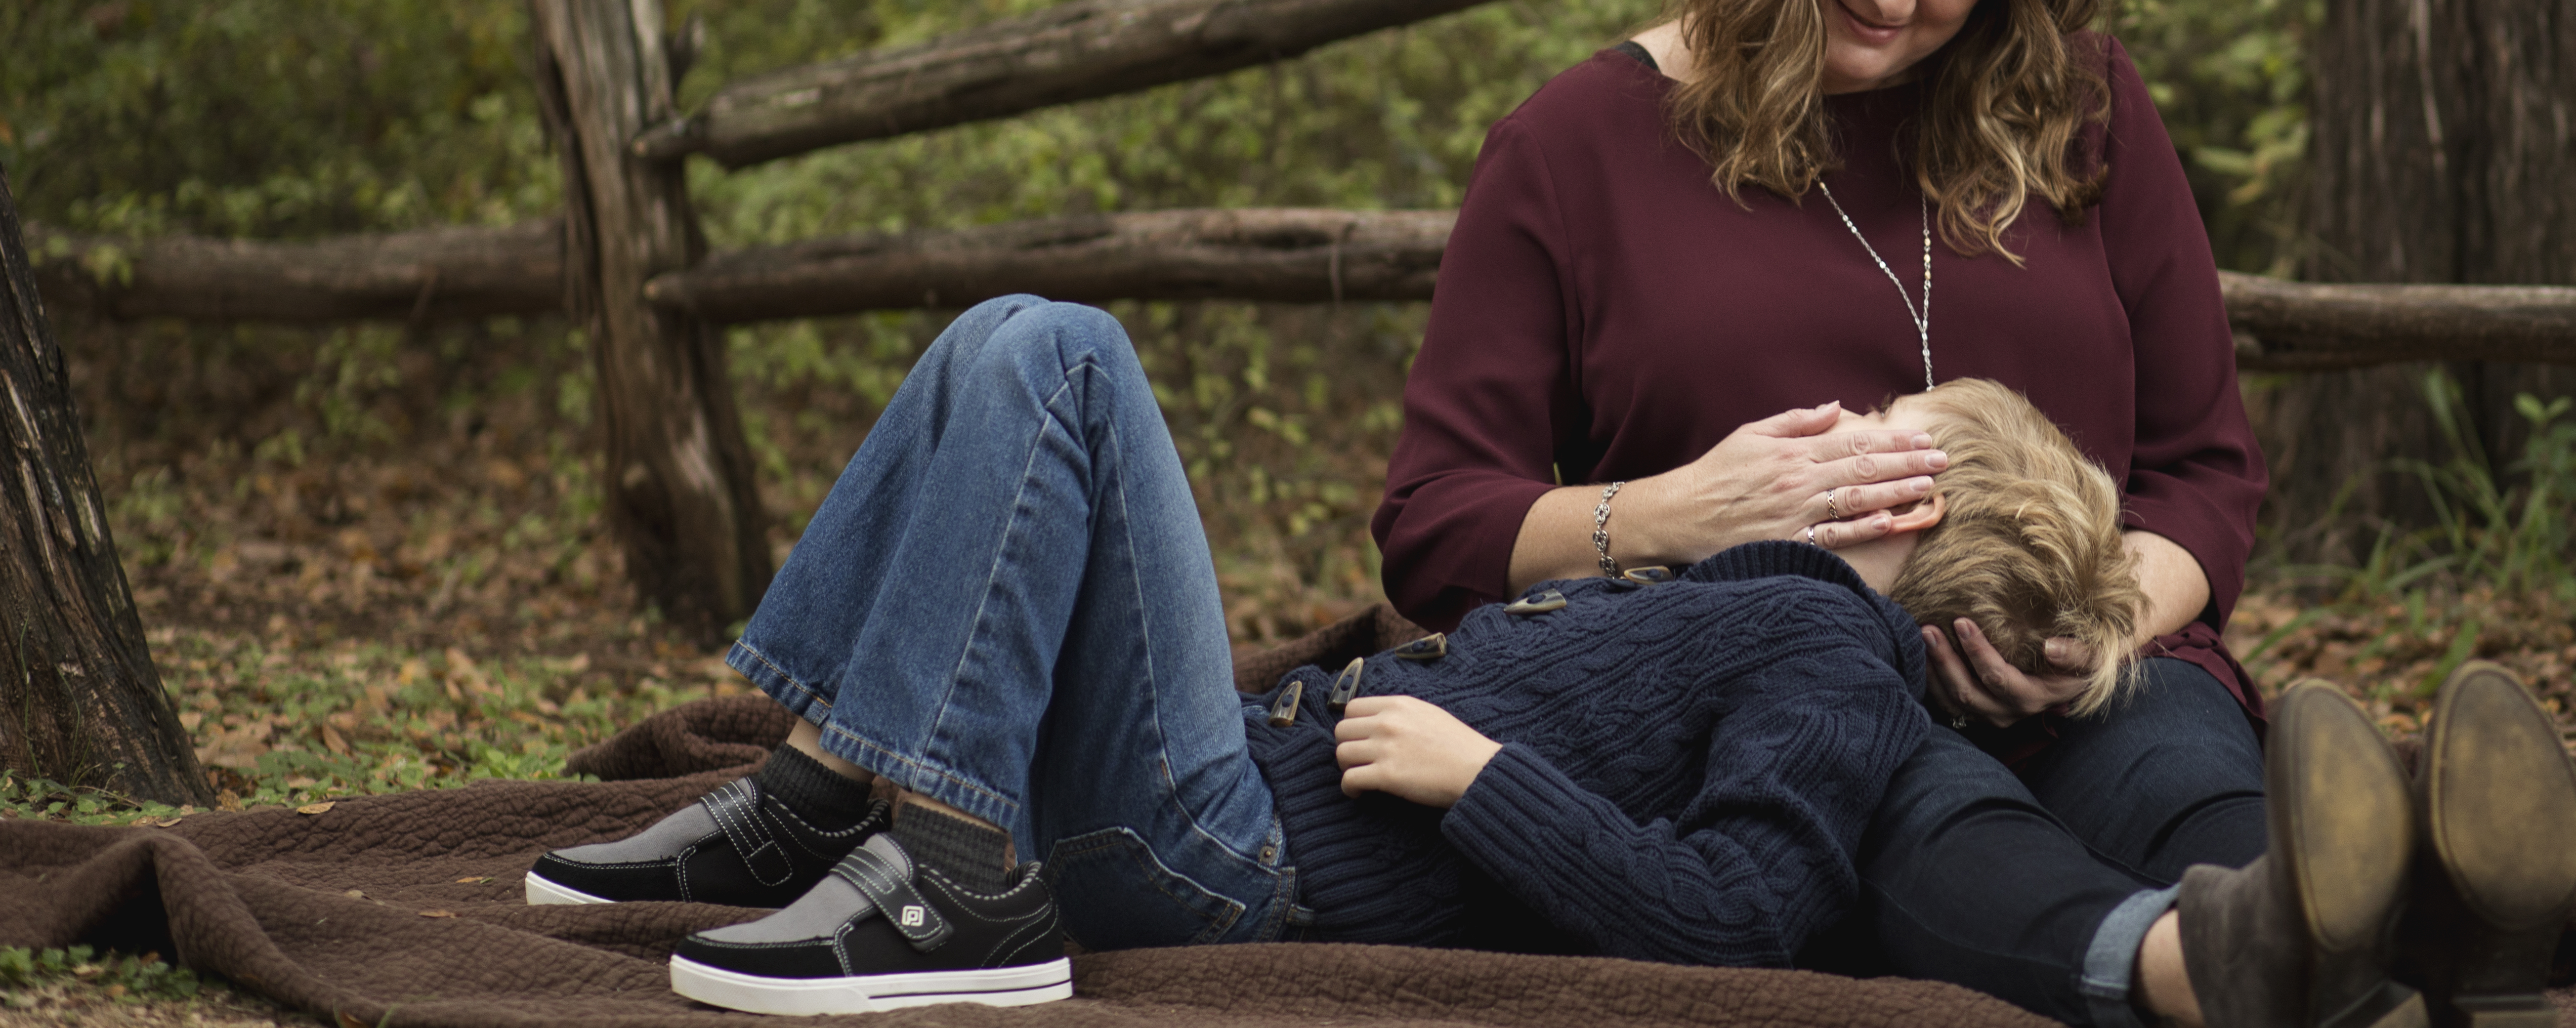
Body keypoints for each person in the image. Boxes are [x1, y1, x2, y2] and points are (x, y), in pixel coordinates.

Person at [1370, 0, 2576, 1028]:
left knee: (2184, 774)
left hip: (2104, 656)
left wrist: (2105, 622)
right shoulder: (1575, 148)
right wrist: (1670, 511)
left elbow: (2205, 470)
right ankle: (2244, 974)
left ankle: (2381, 939)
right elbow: (1435, 522)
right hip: (1781, 690)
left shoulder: (2079, 105)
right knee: (1929, 824)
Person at [522, 299, 2163, 1014]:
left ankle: (951, 882)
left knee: (1070, 359)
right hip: (1225, 790)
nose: (1837, 416)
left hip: (1228, 853)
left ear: (1906, 496)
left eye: (1877, 420)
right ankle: (821, 790)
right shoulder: (1749, 589)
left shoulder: (1832, 661)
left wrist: (1484, 778)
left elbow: (1735, 921)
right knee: (999, 338)